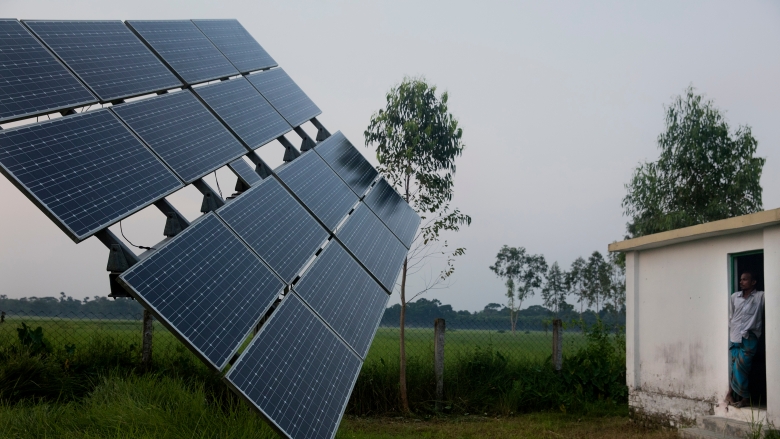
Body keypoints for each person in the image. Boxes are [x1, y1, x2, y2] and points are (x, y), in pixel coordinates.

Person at [725, 271, 765, 407]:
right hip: (735, 336)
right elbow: (731, 316)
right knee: (733, 366)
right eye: (740, 279)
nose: (741, 282)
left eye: (745, 280)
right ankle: (730, 395)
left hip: (750, 336)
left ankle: (745, 397)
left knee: (741, 367)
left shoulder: (761, 296)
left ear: (753, 282)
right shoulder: (734, 297)